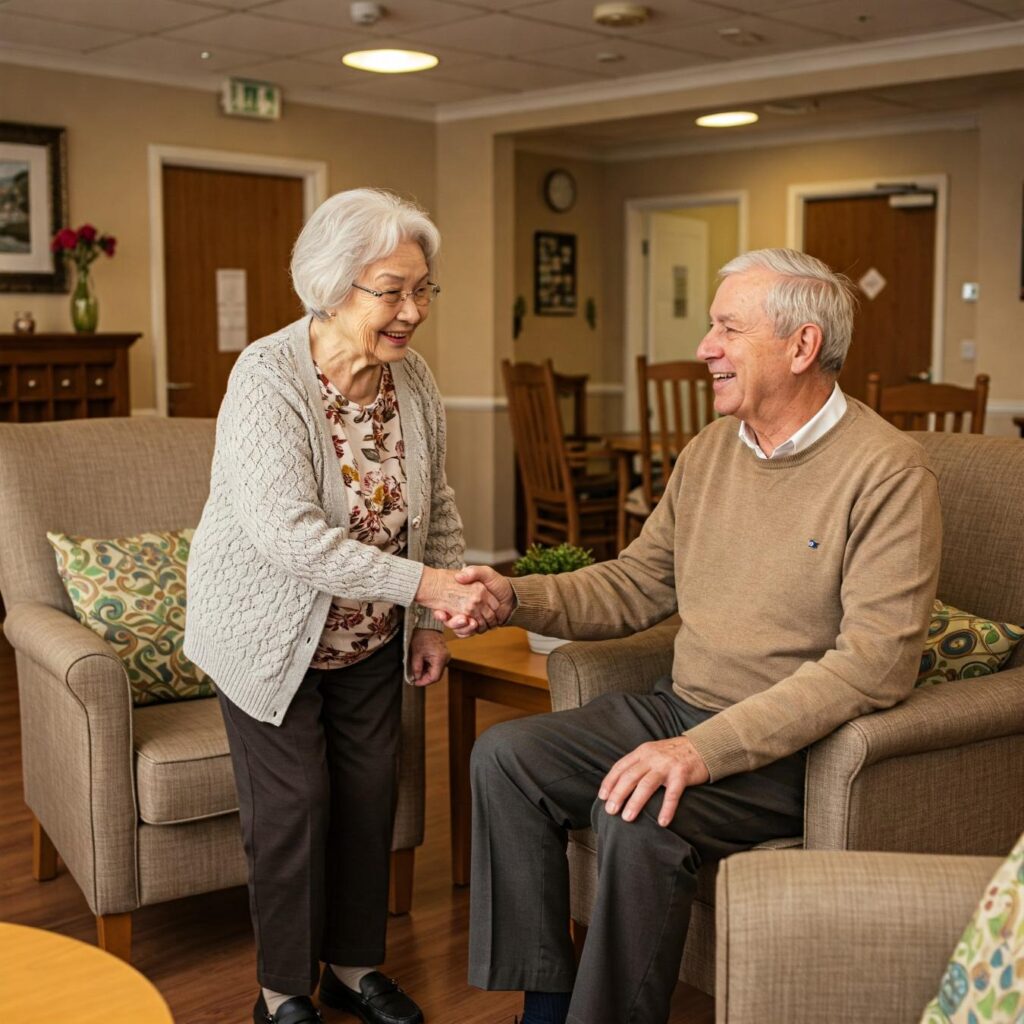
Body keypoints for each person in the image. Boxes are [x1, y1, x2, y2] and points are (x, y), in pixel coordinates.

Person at [441, 248, 942, 1024]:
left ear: (801, 346)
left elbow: (874, 665)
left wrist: (705, 751)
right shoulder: (709, 454)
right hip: (681, 707)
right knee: (509, 757)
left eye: (726, 329)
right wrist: (514, 596)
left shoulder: (887, 471)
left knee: (640, 814)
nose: (705, 347)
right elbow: (637, 583)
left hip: (788, 749)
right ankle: (546, 1003)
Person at [184, 188, 499, 1024]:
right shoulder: (267, 377)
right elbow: (289, 537)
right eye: (391, 290)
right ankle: (282, 990)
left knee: (368, 799)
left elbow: (435, 503)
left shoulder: (413, 379)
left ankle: (353, 969)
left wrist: (427, 622)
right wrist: (426, 588)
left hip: (369, 637)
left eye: (423, 289)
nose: (412, 312)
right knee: (294, 811)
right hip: (266, 635)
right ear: (331, 285)